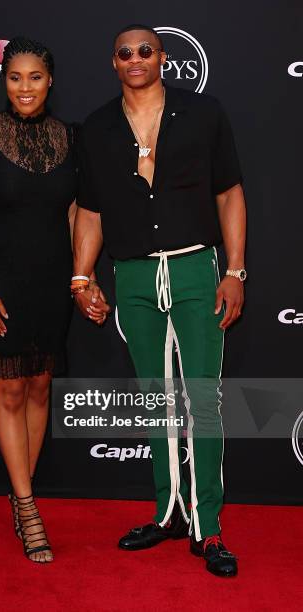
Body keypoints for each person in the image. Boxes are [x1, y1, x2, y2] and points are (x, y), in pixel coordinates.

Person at [72, 24, 246, 577]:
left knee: (203, 400)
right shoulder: (97, 128)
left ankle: (208, 527)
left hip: (197, 267)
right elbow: (91, 211)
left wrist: (235, 270)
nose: (136, 59)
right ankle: (167, 513)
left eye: (145, 50)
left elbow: (229, 193)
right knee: (157, 400)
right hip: (134, 276)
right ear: (114, 63)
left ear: (163, 58)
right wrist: (82, 278)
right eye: (125, 53)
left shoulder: (204, 113)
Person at [0, 36, 100, 563]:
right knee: (10, 391)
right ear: (4, 80)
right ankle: (28, 506)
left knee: (40, 387)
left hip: (51, 282)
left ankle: (22, 499)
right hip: (1, 283)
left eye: (34, 77)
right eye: (15, 77)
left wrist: (81, 277)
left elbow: (74, 215)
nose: (24, 87)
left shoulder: (72, 137)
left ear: (50, 80)